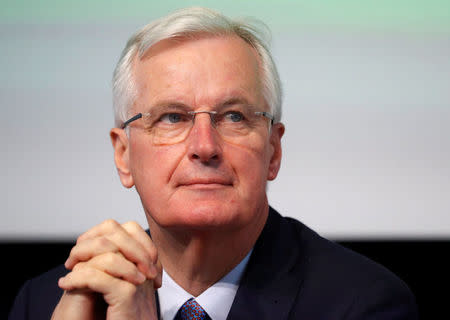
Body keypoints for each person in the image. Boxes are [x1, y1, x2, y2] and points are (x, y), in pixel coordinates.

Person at [9, 7, 418, 320]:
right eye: (172, 117)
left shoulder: (364, 303)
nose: (205, 147)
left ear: (273, 151)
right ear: (123, 155)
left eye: (234, 116)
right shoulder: (48, 303)